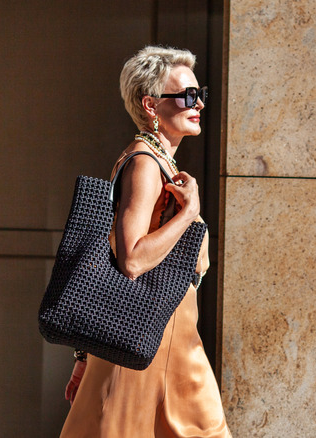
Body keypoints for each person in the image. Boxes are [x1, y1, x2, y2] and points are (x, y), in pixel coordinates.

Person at [59, 46, 232, 437]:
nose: (199, 104)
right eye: (188, 96)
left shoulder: (160, 164)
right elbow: (132, 259)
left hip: (167, 343)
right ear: (151, 105)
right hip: (149, 345)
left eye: (200, 93)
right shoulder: (144, 164)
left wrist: (86, 354)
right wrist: (188, 213)